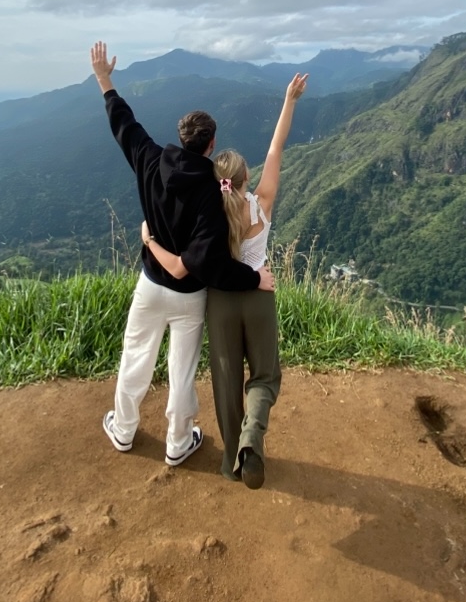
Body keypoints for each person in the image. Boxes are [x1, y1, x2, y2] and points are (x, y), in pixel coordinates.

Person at [90, 41, 275, 469]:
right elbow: (211, 263)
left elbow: (125, 125)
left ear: (181, 137)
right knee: (181, 369)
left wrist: (104, 78)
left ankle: (123, 429)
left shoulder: (150, 159)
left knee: (136, 354)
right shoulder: (215, 194)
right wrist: (253, 279)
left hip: (151, 284)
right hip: (190, 295)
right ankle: (178, 441)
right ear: (211, 145)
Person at [143, 73, 308, 489]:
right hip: (258, 294)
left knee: (226, 379)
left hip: (219, 299)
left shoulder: (211, 206)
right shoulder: (261, 205)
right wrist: (289, 99)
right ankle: (253, 439)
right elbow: (276, 146)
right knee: (265, 375)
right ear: (246, 179)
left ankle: (230, 462)